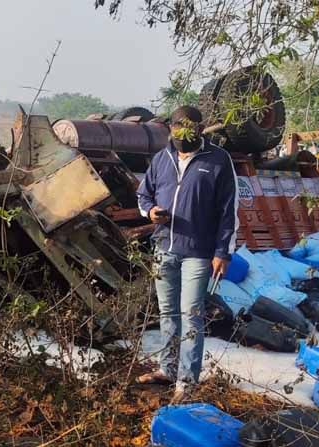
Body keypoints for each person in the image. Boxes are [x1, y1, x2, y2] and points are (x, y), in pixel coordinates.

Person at [135, 106, 238, 403]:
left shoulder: (218, 159)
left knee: (191, 315)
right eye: (179, 128)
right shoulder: (161, 158)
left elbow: (228, 210)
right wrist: (151, 212)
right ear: (171, 128)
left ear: (200, 128)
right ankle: (167, 370)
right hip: (163, 248)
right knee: (167, 314)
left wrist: (223, 251)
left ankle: (186, 381)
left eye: (191, 128)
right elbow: (145, 194)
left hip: (198, 253)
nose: (184, 133)